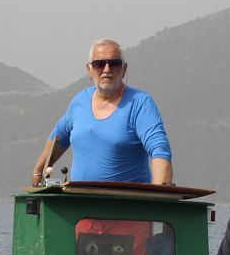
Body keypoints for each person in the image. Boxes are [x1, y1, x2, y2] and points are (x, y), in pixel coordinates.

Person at [31, 39, 173, 186]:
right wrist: (37, 172)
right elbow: (58, 138)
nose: (107, 70)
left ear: (124, 69)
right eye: (99, 64)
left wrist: (160, 196)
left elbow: (159, 150)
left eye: (114, 64)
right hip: (80, 204)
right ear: (89, 70)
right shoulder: (79, 101)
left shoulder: (140, 103)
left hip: (127, 204)